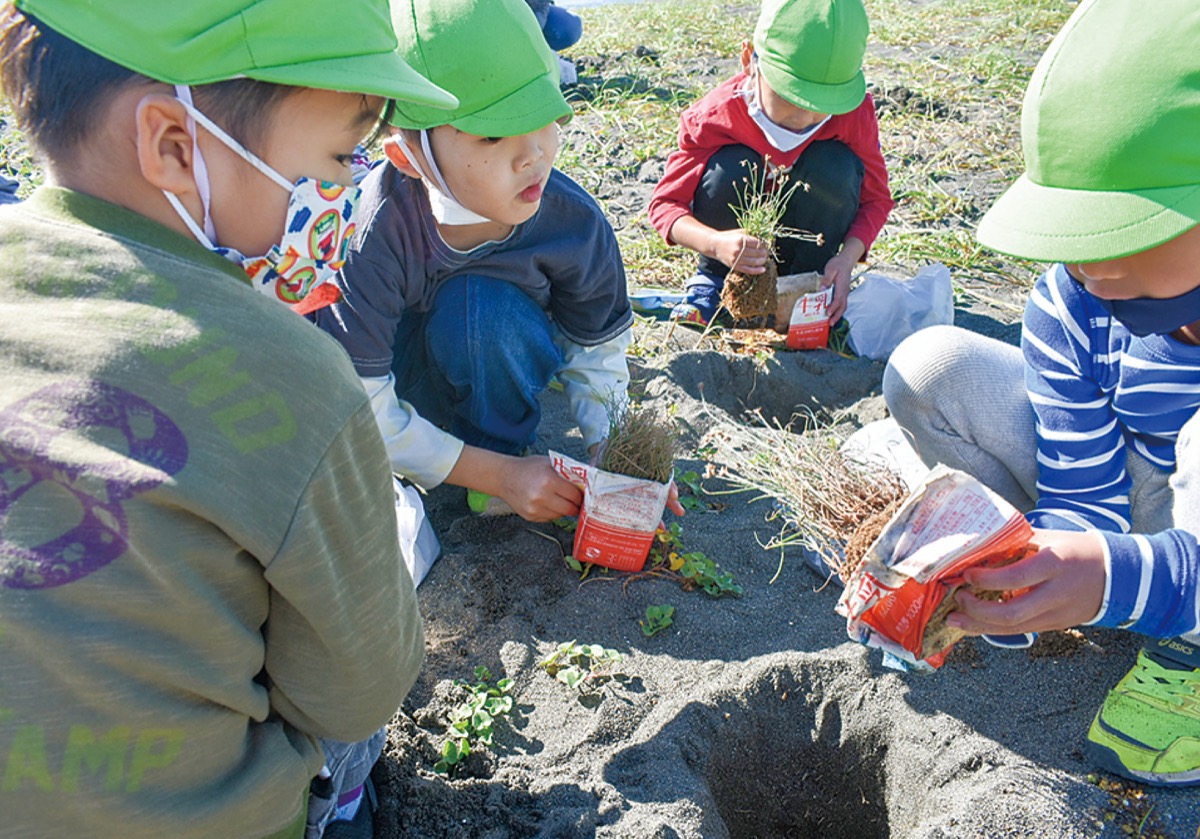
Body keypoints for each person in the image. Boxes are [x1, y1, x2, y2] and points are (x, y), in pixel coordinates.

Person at [0, 1, 457, 837]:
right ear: (175, 145)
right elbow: (357, 691)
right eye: (340, 157)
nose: (350, 190)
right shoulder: (295, 371)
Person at [883, 0, 1200, 787]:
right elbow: (1083, 489)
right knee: (930, 366)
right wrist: (1032, 578)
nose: (1087, 261)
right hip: (1146, 502)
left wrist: (1110, 577)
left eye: (1119, 225)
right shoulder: (1074, 304)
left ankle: (1183, 647)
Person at [316, 0, 683, 523]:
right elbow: (361, 405)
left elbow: (595, 352)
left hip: (494, 375)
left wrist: (610, 450)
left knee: (480, 309)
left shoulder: (574, 224)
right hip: (397, 391)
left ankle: (499, 447)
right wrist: (498, 476)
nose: (533, 153)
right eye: (492, 134)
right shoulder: (368, 234)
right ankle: (487, 468)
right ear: (406, 156)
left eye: (543, 116)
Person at [648, 0, 893, 327]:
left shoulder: (853, 114)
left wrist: (846, 259)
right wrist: (716, 245)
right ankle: (713, 284)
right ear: (749, 60)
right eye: (790, 96)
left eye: (824, 105)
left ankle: (806, 287)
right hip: (733, 256)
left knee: (837, 165)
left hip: (809, 253)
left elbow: (876, 200)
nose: (804, 117)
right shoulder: (714, 116)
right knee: (730, 166)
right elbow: (665, 206)